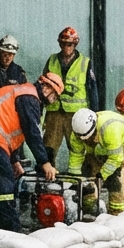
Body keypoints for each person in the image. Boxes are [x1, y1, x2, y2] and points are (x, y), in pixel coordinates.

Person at [0, 73, 63, 232]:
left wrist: (14, 160)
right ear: (47, 87)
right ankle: (12, 231)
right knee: (4, 186)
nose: (54, 100)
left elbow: (12, 131)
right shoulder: (30, 97)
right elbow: (32, 133)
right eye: (55, 95)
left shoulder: (24, 93)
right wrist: (45, 163)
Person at [66, 108, 124, 215]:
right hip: (102, 145)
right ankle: (90, 204)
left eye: (88, 138)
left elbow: (116, 158)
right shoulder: (77, 134)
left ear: (94, 128)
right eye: (82, 139)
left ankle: (117, 209)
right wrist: (75, 179)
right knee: (88, 169)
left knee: (116, 174)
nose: (85, 141)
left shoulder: (110, 129)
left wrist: (102, 175)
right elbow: (76, 156)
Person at [42, 26, 98, 164]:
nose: (67, 47)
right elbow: (42, 86)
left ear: (75, 44)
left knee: (77, 148)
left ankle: (80, 180)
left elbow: (93, 90)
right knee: (48, 148)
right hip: (54, 113)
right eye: (64, 44)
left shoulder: (85, 62)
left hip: (76, 115)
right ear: (59, 43)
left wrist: (95, 115)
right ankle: (46, 179)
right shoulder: (52, 60)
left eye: (70, 44)